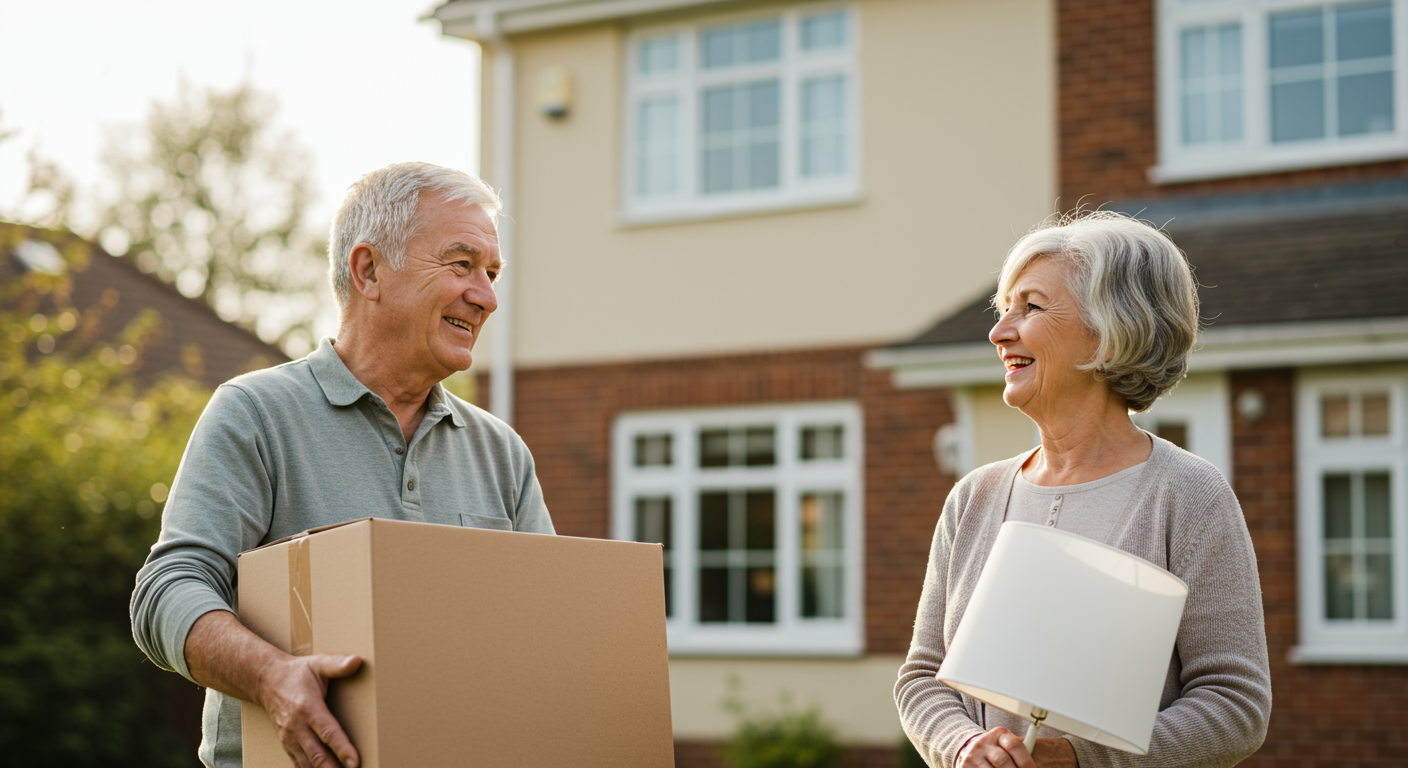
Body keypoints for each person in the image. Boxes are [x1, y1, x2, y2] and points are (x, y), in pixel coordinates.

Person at [130, 162, 555, 768]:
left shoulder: (502, 453)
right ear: (369, 270)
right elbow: (166, 591)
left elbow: (545, 630)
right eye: (461, 265)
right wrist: (272, 677)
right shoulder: (255, 414)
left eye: (491, 273)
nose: (485, 296)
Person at [894, 212, 1271, 768]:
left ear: (1113, 330)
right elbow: (922, 678)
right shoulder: (973, 497)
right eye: (1004, 310)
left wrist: (1077, 757)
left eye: (1032, 308)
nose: (1000, 332)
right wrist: (963, 745)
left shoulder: (1190, 495)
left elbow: (1235, 706)